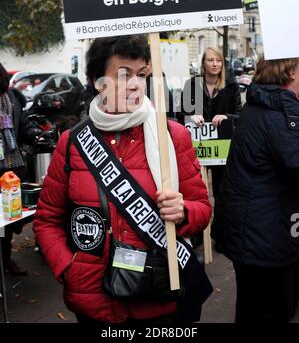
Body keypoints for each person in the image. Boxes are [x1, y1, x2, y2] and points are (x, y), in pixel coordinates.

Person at [34, 35, 212, 326]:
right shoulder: (71, 143)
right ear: (96, 80)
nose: (135, 84)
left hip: (159, 300)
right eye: (123, 75)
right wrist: (68, 268)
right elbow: (47, 219)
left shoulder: (172, 136)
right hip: (94, 302)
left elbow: (202, 209)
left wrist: (184, 212)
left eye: (141, 75)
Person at [215, 55, 299, 323]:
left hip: (258, 232)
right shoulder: (278, 115)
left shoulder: (266, 105)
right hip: (265, 237)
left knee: (255, 308)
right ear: (290, 72)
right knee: (271, 311)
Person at [178, 47, 242, 199]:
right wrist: (190, 116)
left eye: (218, 60)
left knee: (222, 191)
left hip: (222, 147)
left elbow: (240, 115)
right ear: (203, 64)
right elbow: (180, 115)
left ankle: (220, 220)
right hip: (198, 147)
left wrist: (226, 116)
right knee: (196, 189)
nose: (215, 64)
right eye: (210, 60)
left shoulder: (231, 86)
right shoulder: (191, 85)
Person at [0, 63, 41, 275]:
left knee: (8, 222)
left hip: (11, 170)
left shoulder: (12, 98)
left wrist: (34, 133)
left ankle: (6, 259)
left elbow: (22, 124)